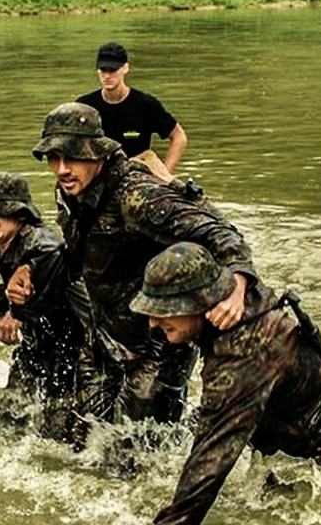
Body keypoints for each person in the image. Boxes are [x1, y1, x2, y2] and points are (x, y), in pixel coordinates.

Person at [130, 243, 321, 525]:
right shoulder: (236, 301)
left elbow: (213, 457)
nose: (152, 322)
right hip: (290, 442)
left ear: (200, 302)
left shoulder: (243, 354)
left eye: (163, 310)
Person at [18, 100, 256, 426]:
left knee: (140, 446)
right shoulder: (69, 191)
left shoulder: (137, 196)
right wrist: (31, 272)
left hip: (158, 343)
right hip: (104, 338)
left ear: (96, 153)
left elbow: (221, 234)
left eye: (72, 157)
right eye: (53, 159)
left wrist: (237, 286)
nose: (62, 170)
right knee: (82, 438)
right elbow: (82, 254)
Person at [0, 172, 89, 440]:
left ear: (20, 214)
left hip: (80, 357)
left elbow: (54, 252)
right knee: (1, 417)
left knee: (60, 435)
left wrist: (18, 311)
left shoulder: (41, 243)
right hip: (34, 355)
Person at [76, 41, 188, 181]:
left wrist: (164, 175)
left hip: (137, 179)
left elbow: (179, 137)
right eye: (103, 70)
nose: (107, 76)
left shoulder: (145, 104)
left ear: (125, 68)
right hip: (99, 178)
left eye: (113, 70)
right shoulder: (84, 106)